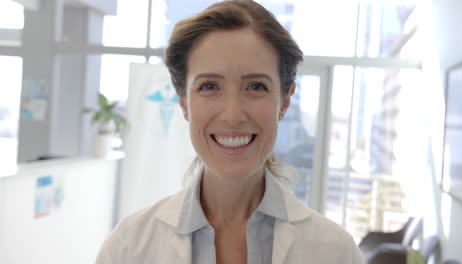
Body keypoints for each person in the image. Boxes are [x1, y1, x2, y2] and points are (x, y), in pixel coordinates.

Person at [96, 1, 366, 263]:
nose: (233, 115)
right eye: (209, 86)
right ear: (183, 103)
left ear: (284, 102)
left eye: (256, 87)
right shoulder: (127, 248)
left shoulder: (336, 252)